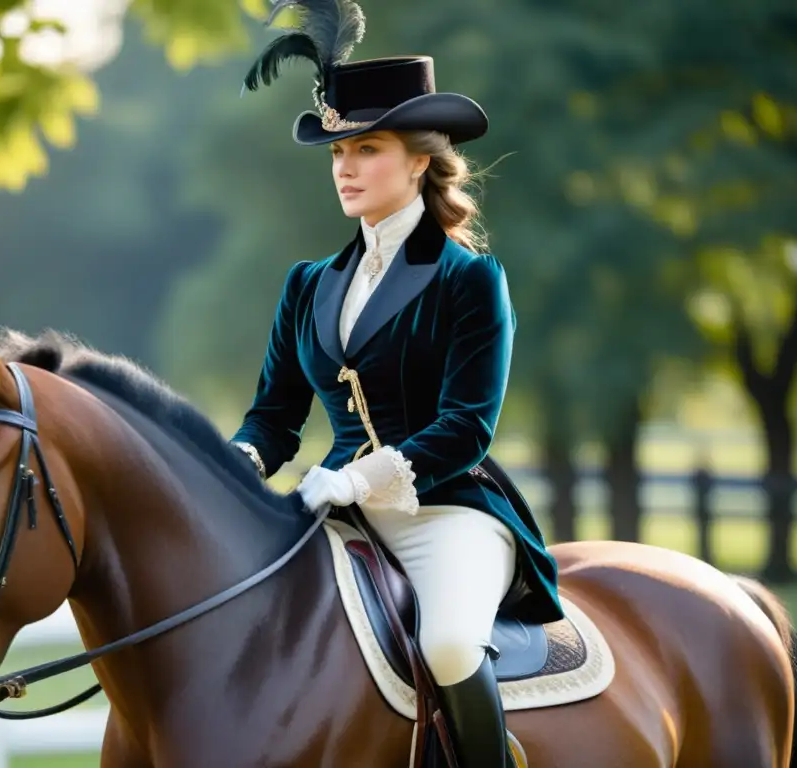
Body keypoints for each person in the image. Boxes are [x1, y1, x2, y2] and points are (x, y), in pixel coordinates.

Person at [230, 2, 564, 766]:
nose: (344, 167)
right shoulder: (307, 284)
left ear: (419, 159)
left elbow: (467, 425)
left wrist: (355, 480)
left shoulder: (471, 280)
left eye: (367, 148)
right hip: (333, 518)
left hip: (447, 511)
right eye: (336, 152)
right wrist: (236, 466)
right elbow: (273, 419)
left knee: (448, 645)